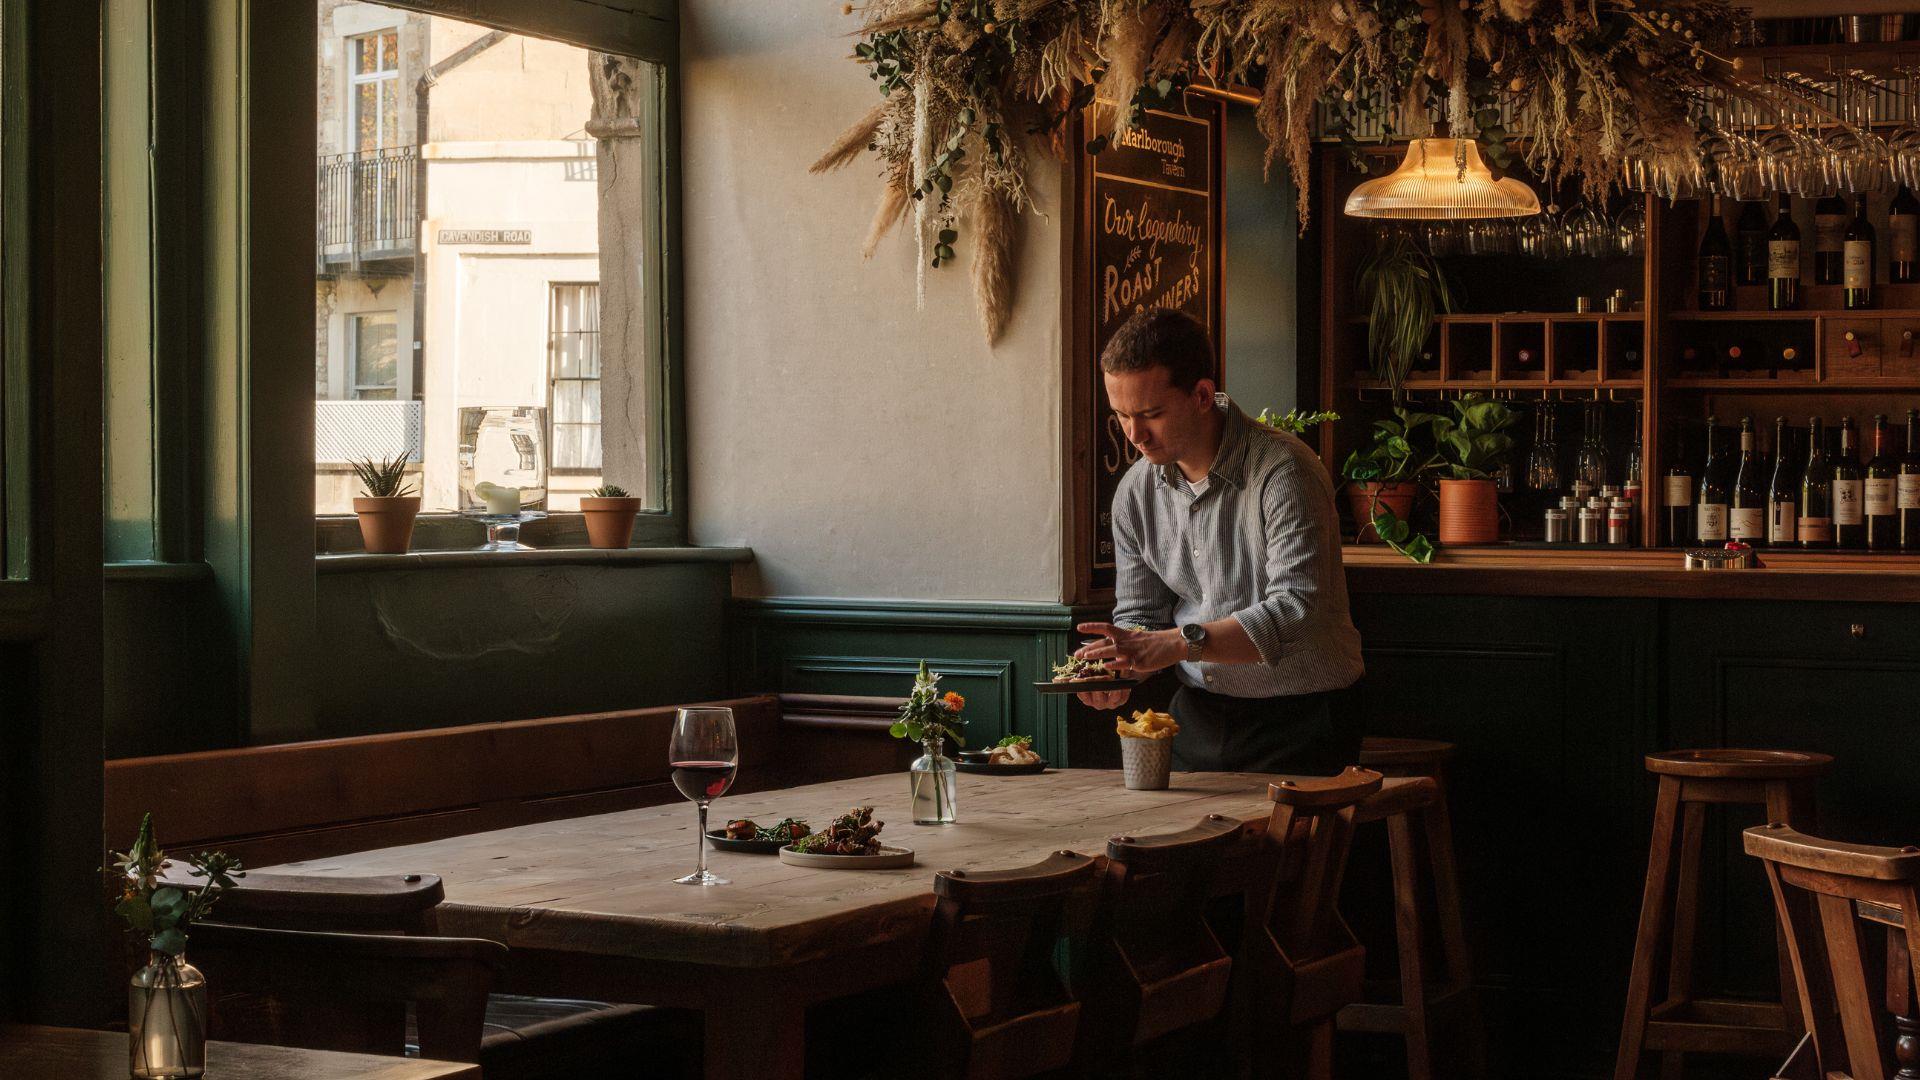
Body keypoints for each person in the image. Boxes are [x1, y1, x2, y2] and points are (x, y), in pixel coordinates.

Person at [1075, 308, 1364, 775]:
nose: (1134, 435)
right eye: (1122, 414)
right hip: (1198, 714)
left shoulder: (1284, 470)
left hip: (1304, 715)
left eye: (1150, 414)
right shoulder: (1135, 491)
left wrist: (1173, 644)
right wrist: (1119, 665)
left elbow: (1295, 613)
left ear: (1203, 395)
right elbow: (1142, 617)